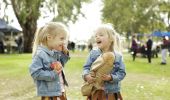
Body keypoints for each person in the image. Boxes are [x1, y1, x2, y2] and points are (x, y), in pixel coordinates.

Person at [82, 23, 126, 100]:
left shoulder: (118, 56)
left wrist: (111, 77)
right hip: (95, 91)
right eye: (96, 36)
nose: (97, 37)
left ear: (111, 39)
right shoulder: (93, 53)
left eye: (101, 35)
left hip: (111, 93)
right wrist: (86, 76)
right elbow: (86, 68)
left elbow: (122, 73)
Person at [29, 22, 70, 100]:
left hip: (60, 90)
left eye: (65, 39)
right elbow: (35, 73)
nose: (64, 42)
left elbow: (61, 65)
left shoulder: (55, 52)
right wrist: (53, 74)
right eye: (62, 38)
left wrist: (65, 54)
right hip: (49, 94)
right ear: (49, 37)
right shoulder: (40, 54)